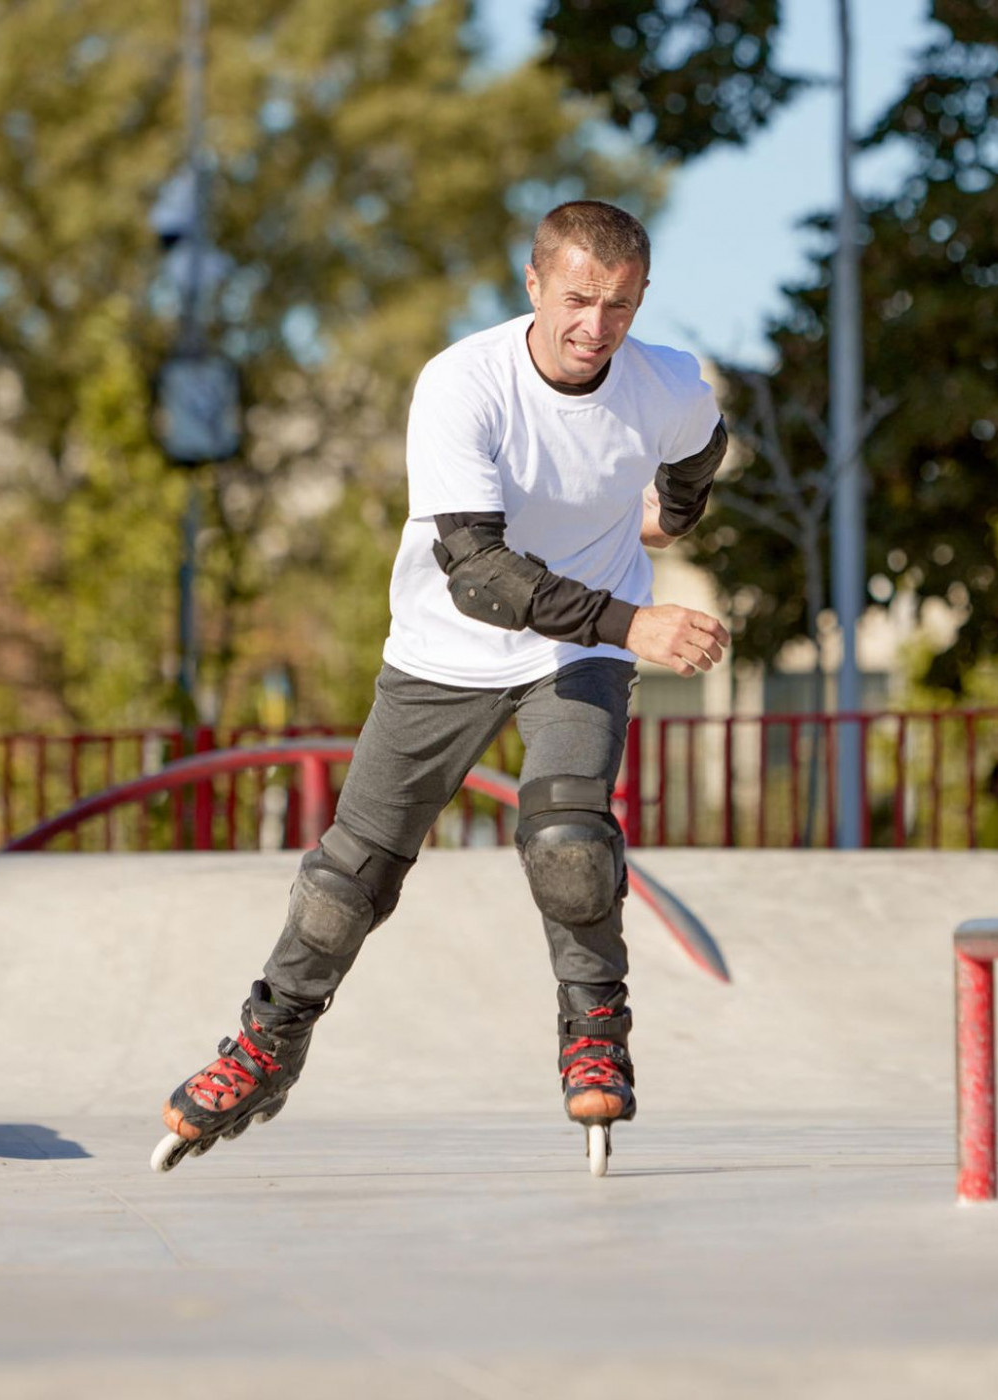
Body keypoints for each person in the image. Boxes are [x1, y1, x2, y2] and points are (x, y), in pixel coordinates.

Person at [158, 200, 729, 1162]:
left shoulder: (665, 383)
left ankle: (594, 1033)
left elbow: (700, 449)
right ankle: (267, 1043)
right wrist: (640, 620)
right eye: (580, 299)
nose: (598, 329)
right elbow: (480, 575)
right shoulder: (465, 384)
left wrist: (666, 522)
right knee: (348, 879)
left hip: (575, 654)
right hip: (446, 647)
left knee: (567, 838)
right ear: (534, 284)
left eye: (622, 306)